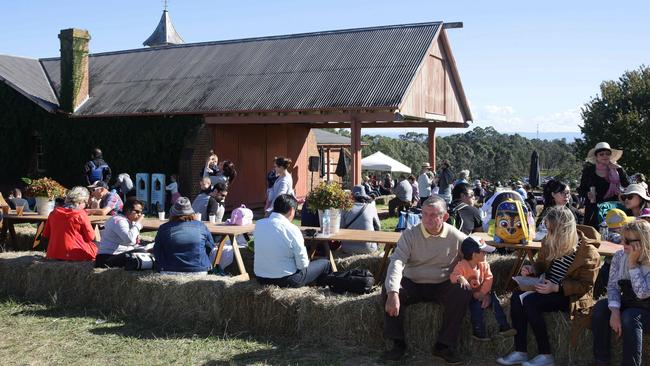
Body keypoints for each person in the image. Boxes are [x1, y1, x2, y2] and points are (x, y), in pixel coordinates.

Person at [496, 206, 600, 366]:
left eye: (552, 230)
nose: (549, 234)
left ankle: (546, 354)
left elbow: (585, 285)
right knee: (517, 297)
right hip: (547, 286)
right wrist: (532, 269)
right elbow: (542, 264)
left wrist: (556, 287)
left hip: (569, 295)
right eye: (548, 229)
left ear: (565, 230)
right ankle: (520, 351)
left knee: (531, 302)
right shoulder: (550, 241)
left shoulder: (588, 252)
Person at [382, 195, 471, 363]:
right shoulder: (410, 234)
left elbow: (475, 257)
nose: (427, 219)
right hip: (412, 282)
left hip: (442, 283)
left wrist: (477, 284)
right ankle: (397, 344)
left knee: (463, 292)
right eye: (424, 214)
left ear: (445, 217)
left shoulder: (456, 236)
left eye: (433, 215)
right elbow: (397, 262)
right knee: (389, 289)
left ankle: (444, 345)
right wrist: (392, 292)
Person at [592, 220, 650, 366]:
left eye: (628, 241)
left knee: (630, 317)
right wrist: (615, 311)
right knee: (601, 307)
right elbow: (612, 287)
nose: (622, 243)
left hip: (646, 307)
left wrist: (632, 264)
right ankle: (601, 360)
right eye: (621, 238)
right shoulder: (619, 256)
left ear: (643, 241)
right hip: (629, 302)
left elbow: (642, 293)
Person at [254, 194, 331, 288]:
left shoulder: (258, 224)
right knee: (325, 263)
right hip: (286, 280)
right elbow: (302, 265)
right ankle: (322, 293)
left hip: (260, 278)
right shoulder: (292, 229)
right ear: (291, 210)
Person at [451, 236, 515, 340]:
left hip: (483, 293)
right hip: (470, 296)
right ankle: (478, 332)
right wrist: (460, 278)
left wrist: (483, 293)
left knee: (495, 300)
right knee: (476, 307)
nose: (486, 253)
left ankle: (504, 326)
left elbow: (489, 278)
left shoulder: (485, 265)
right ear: (474, 254)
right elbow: (453, 276)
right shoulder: (462, 265)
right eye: (483, 252)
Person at [153, 197, 215, 275]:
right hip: (199, 270)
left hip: (169, 270)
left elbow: (157, 250)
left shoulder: (163, 228)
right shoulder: (202, 226)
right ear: (192, 213)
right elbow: (210, 247)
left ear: (172, 213)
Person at [578, 142, 630, 228]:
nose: (605, 156)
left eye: (607, 154)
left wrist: (620, 170)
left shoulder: (616, 169)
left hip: (612, 209)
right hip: (593, 209)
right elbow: (581, 189)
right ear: (596, 157)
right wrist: (587, 194)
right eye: (601, 154)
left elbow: (627, 185)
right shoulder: (589, 171)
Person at [42, 186, 97, 261]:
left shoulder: (53, 213)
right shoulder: (80, 214)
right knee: (99, 247)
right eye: (86, 203)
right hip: (75, 254)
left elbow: (45, 235)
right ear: (80, 201)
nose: (85, 206)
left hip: (53, 254)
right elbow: (91, 237)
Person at [95, 198, 145, 268]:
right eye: (136, 211)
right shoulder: (119, 221)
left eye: (141, 212)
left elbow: (132, 242)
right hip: (106, 258)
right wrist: (138, 224)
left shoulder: (127, 220)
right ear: (128, 210)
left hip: (116, 255)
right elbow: (129, 239)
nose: (139, 215)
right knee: (142, 252)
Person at [340, 186, 381, 254]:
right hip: (369, 248)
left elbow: (340, 227)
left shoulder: (345, 208)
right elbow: (378, 227)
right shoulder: (371, 207)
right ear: (364, 196)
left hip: (347, 248)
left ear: (352, 196)